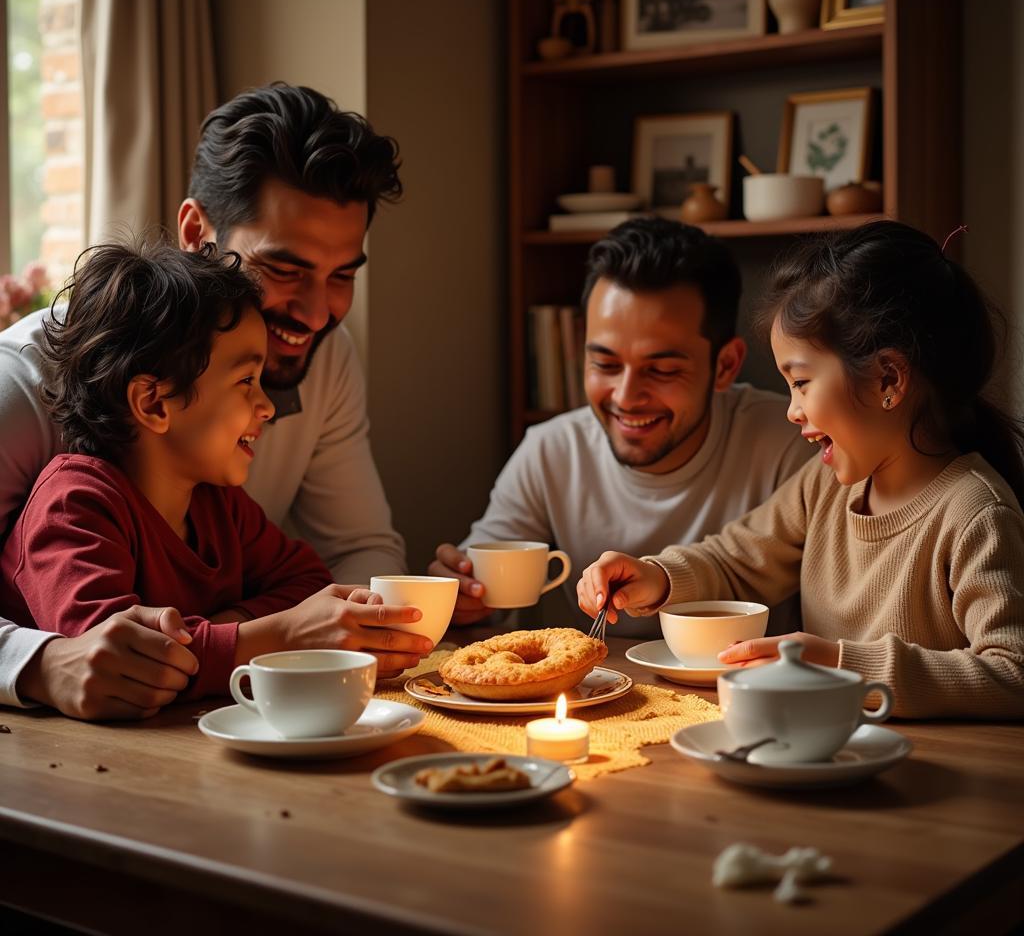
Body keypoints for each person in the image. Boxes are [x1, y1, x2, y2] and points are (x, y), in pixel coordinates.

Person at [0, 83, 409, 716]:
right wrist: (44, 664)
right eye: (285, 268)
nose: (315, 312)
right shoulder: (21, 388)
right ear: (197, 231)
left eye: (343, 276)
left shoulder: (311, 368)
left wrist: (229, 630)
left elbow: (351, 553)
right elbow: (114, 652)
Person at [578, 220, 1024, 718]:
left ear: (889, 379)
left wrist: (840, 663)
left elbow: (1013, 673)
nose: (792, 410)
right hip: (817, 751)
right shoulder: (824, 485)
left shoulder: (974, 513)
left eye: (801, 382)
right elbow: (736, 561)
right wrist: (657, 576)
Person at [430, 218, 812, 636]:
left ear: (724, 366)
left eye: (662, 370)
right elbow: (482, 589)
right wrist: (463, 594)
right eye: (605, 364)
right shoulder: (552, 450)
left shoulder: (795, 443)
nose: (627, 397)